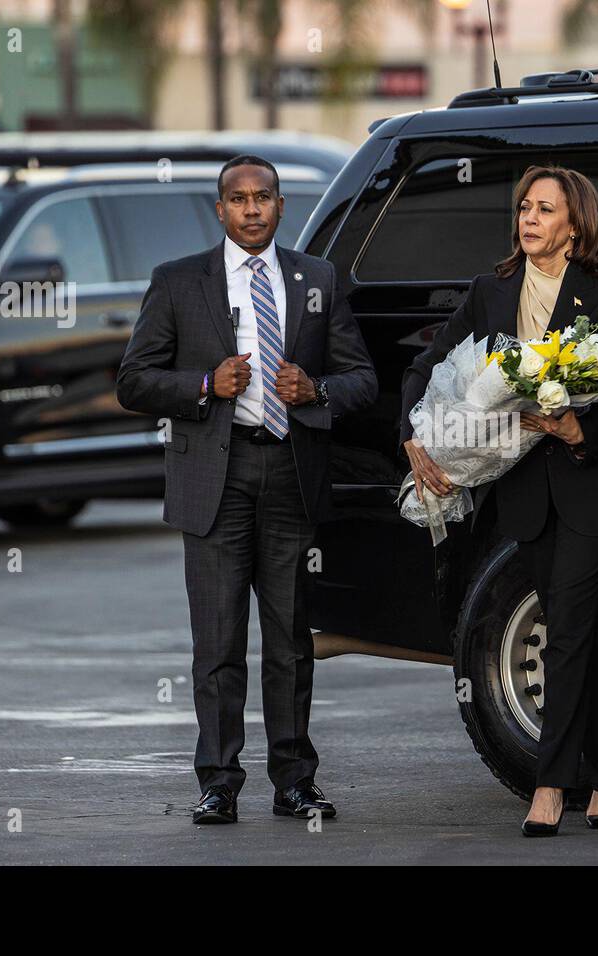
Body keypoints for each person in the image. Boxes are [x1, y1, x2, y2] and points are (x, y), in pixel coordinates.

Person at [399, 164, 598, 836]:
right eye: (524, 207)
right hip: (521, 490)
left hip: (592, 484)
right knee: (570, 628)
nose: (529, 218)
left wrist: (583, 426)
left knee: (569, 632)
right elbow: (427, 367)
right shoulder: (491, 292)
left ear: (575, 224)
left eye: (545, 209)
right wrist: (413, 434)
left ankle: (550, 786)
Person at [117, 155, 377, 824]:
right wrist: (205, 385)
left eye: (264, 198)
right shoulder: (178, 282)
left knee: (289, 640)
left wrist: (314, 390)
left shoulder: (316, 278)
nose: (253, 209)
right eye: (240, 199)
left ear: (282, 207)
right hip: (215, 480)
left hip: (291, 473)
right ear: (221, 210)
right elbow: (133, 381)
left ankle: (294, 781)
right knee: (219, 640)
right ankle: (219, 782)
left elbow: (362, 381)